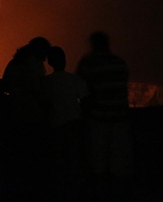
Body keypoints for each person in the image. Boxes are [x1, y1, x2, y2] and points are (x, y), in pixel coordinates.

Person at [76, 31, 131, 179]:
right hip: (120, 116)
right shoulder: (120, 63)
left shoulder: (88, 62)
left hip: (98, 116)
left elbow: (79, 85)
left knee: (98, 157)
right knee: (118, 159)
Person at [42, 46, 88, 179]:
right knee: (74, 157)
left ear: (49, 63)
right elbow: (85, 98)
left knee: (58, 158)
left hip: (55, 124)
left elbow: (44, 102)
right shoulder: (73, 79)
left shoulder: (47, 82)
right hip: (74, 122)